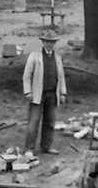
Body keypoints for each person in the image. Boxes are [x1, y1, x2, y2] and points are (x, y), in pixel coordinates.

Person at [21, 28, 68, 158]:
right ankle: (29, 148)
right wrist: (28, 91)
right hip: (37, 94)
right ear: (43, 42)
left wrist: (63, 93)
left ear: (54, 43)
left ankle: (46, 146)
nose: (49, 44)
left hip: (52, 94)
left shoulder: (57, 58)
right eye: (47, 41)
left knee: (50, 122)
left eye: (52, 42)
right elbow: (27, 76)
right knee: (33, 122)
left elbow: (61, 77)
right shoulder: (34, 56)